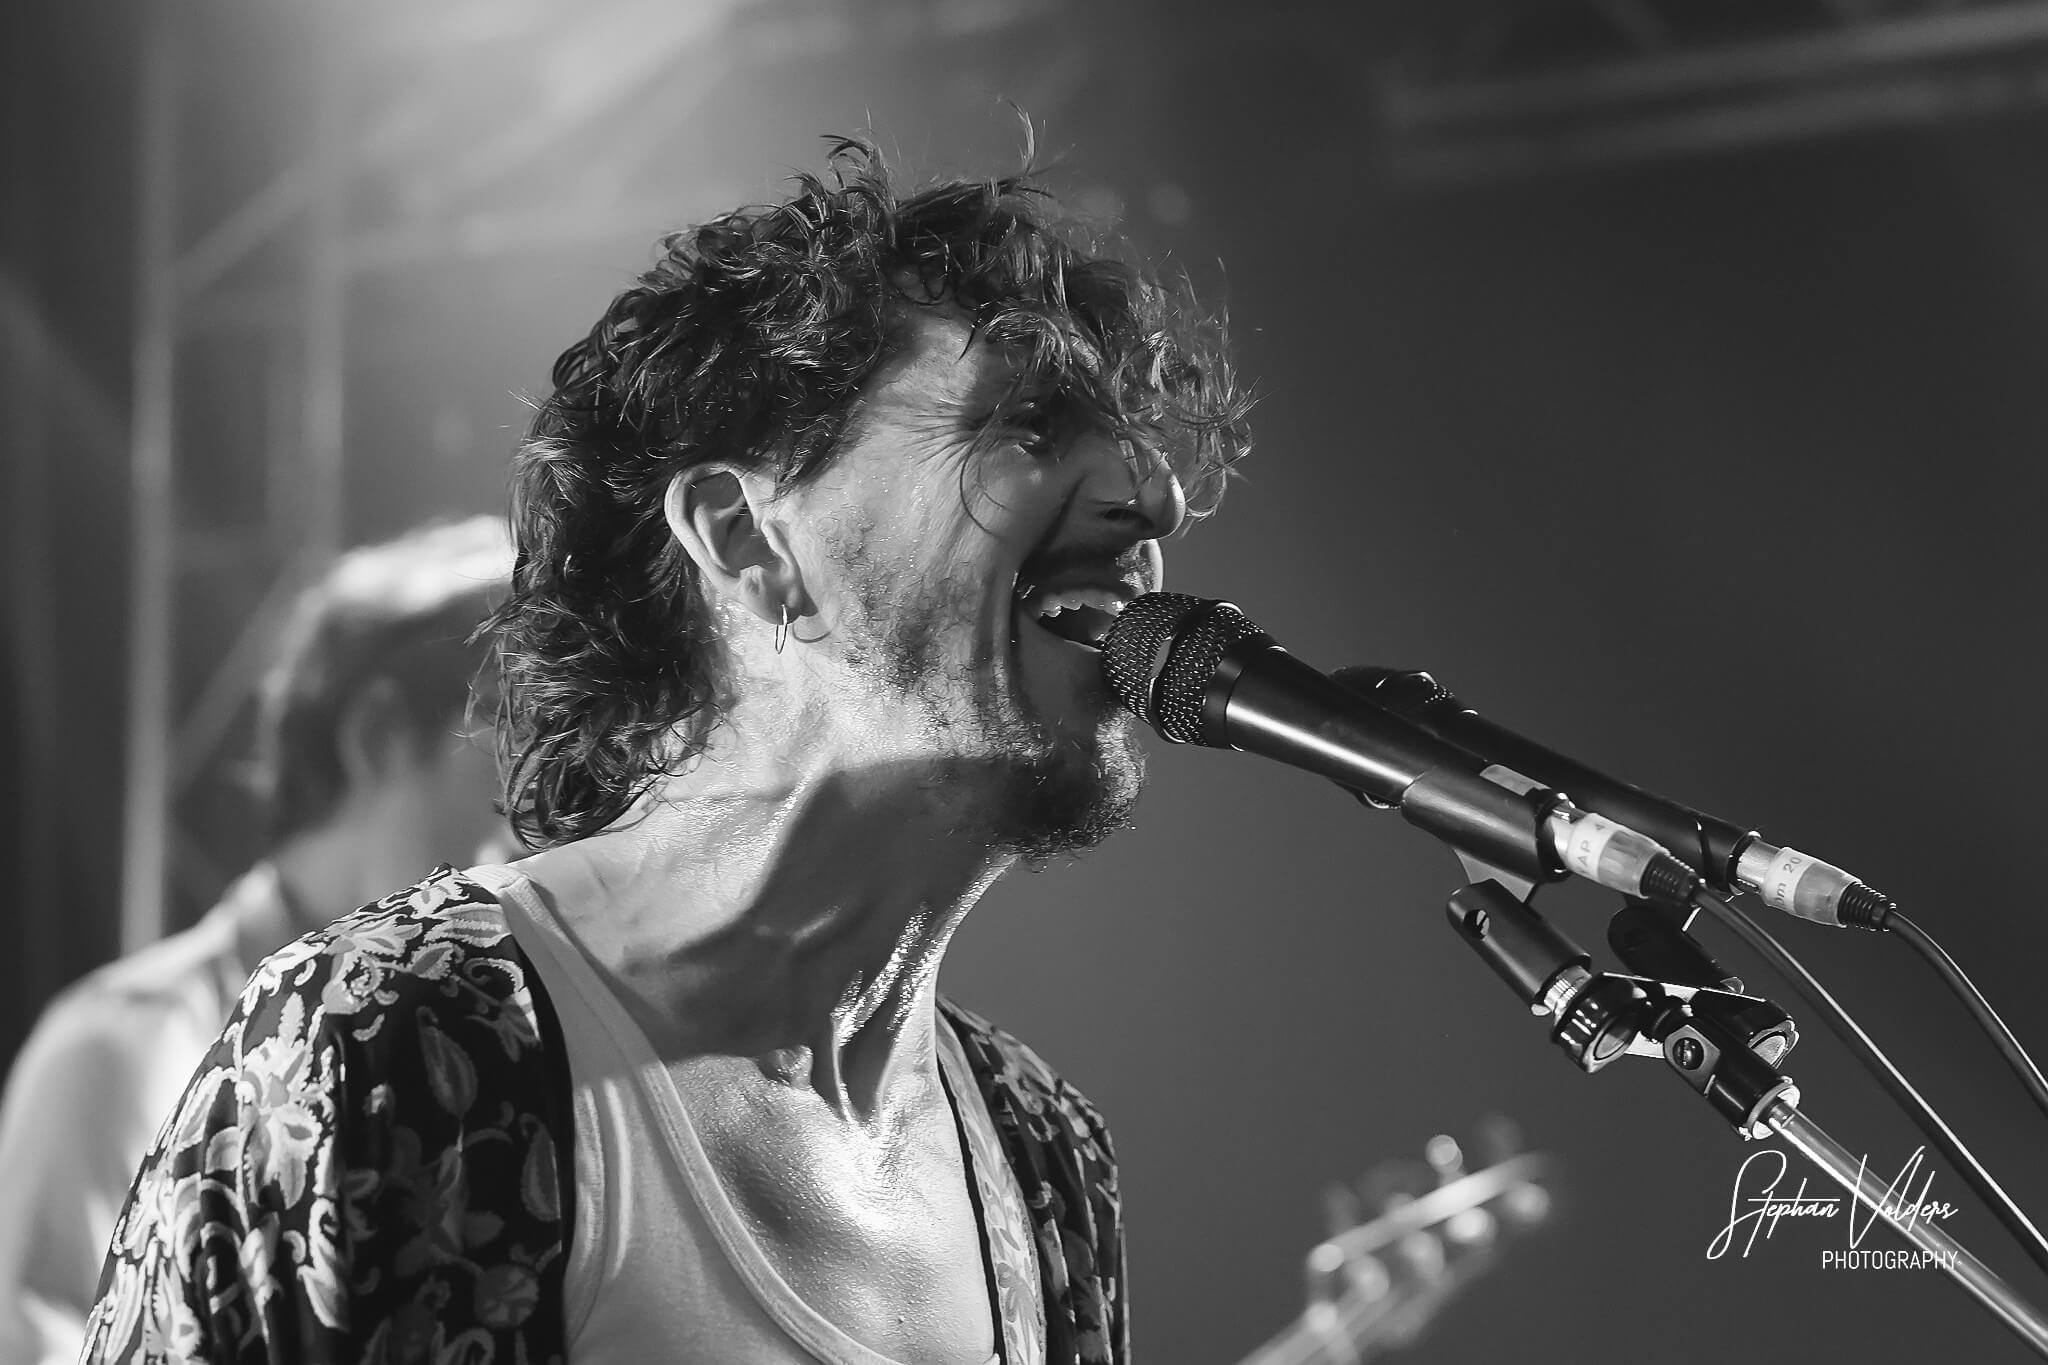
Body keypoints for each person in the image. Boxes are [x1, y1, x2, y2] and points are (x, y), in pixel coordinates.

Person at [82, 140, 1252, 1365]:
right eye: (1027, 422)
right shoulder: (402, 1049)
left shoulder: (1037, 1154)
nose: (1156, 501)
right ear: (745, 540)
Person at [0, 516, 515, 1365]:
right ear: (379, 734)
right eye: (513, 732)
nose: (544, 816)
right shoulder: (126, 1053)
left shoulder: (465, 1064)